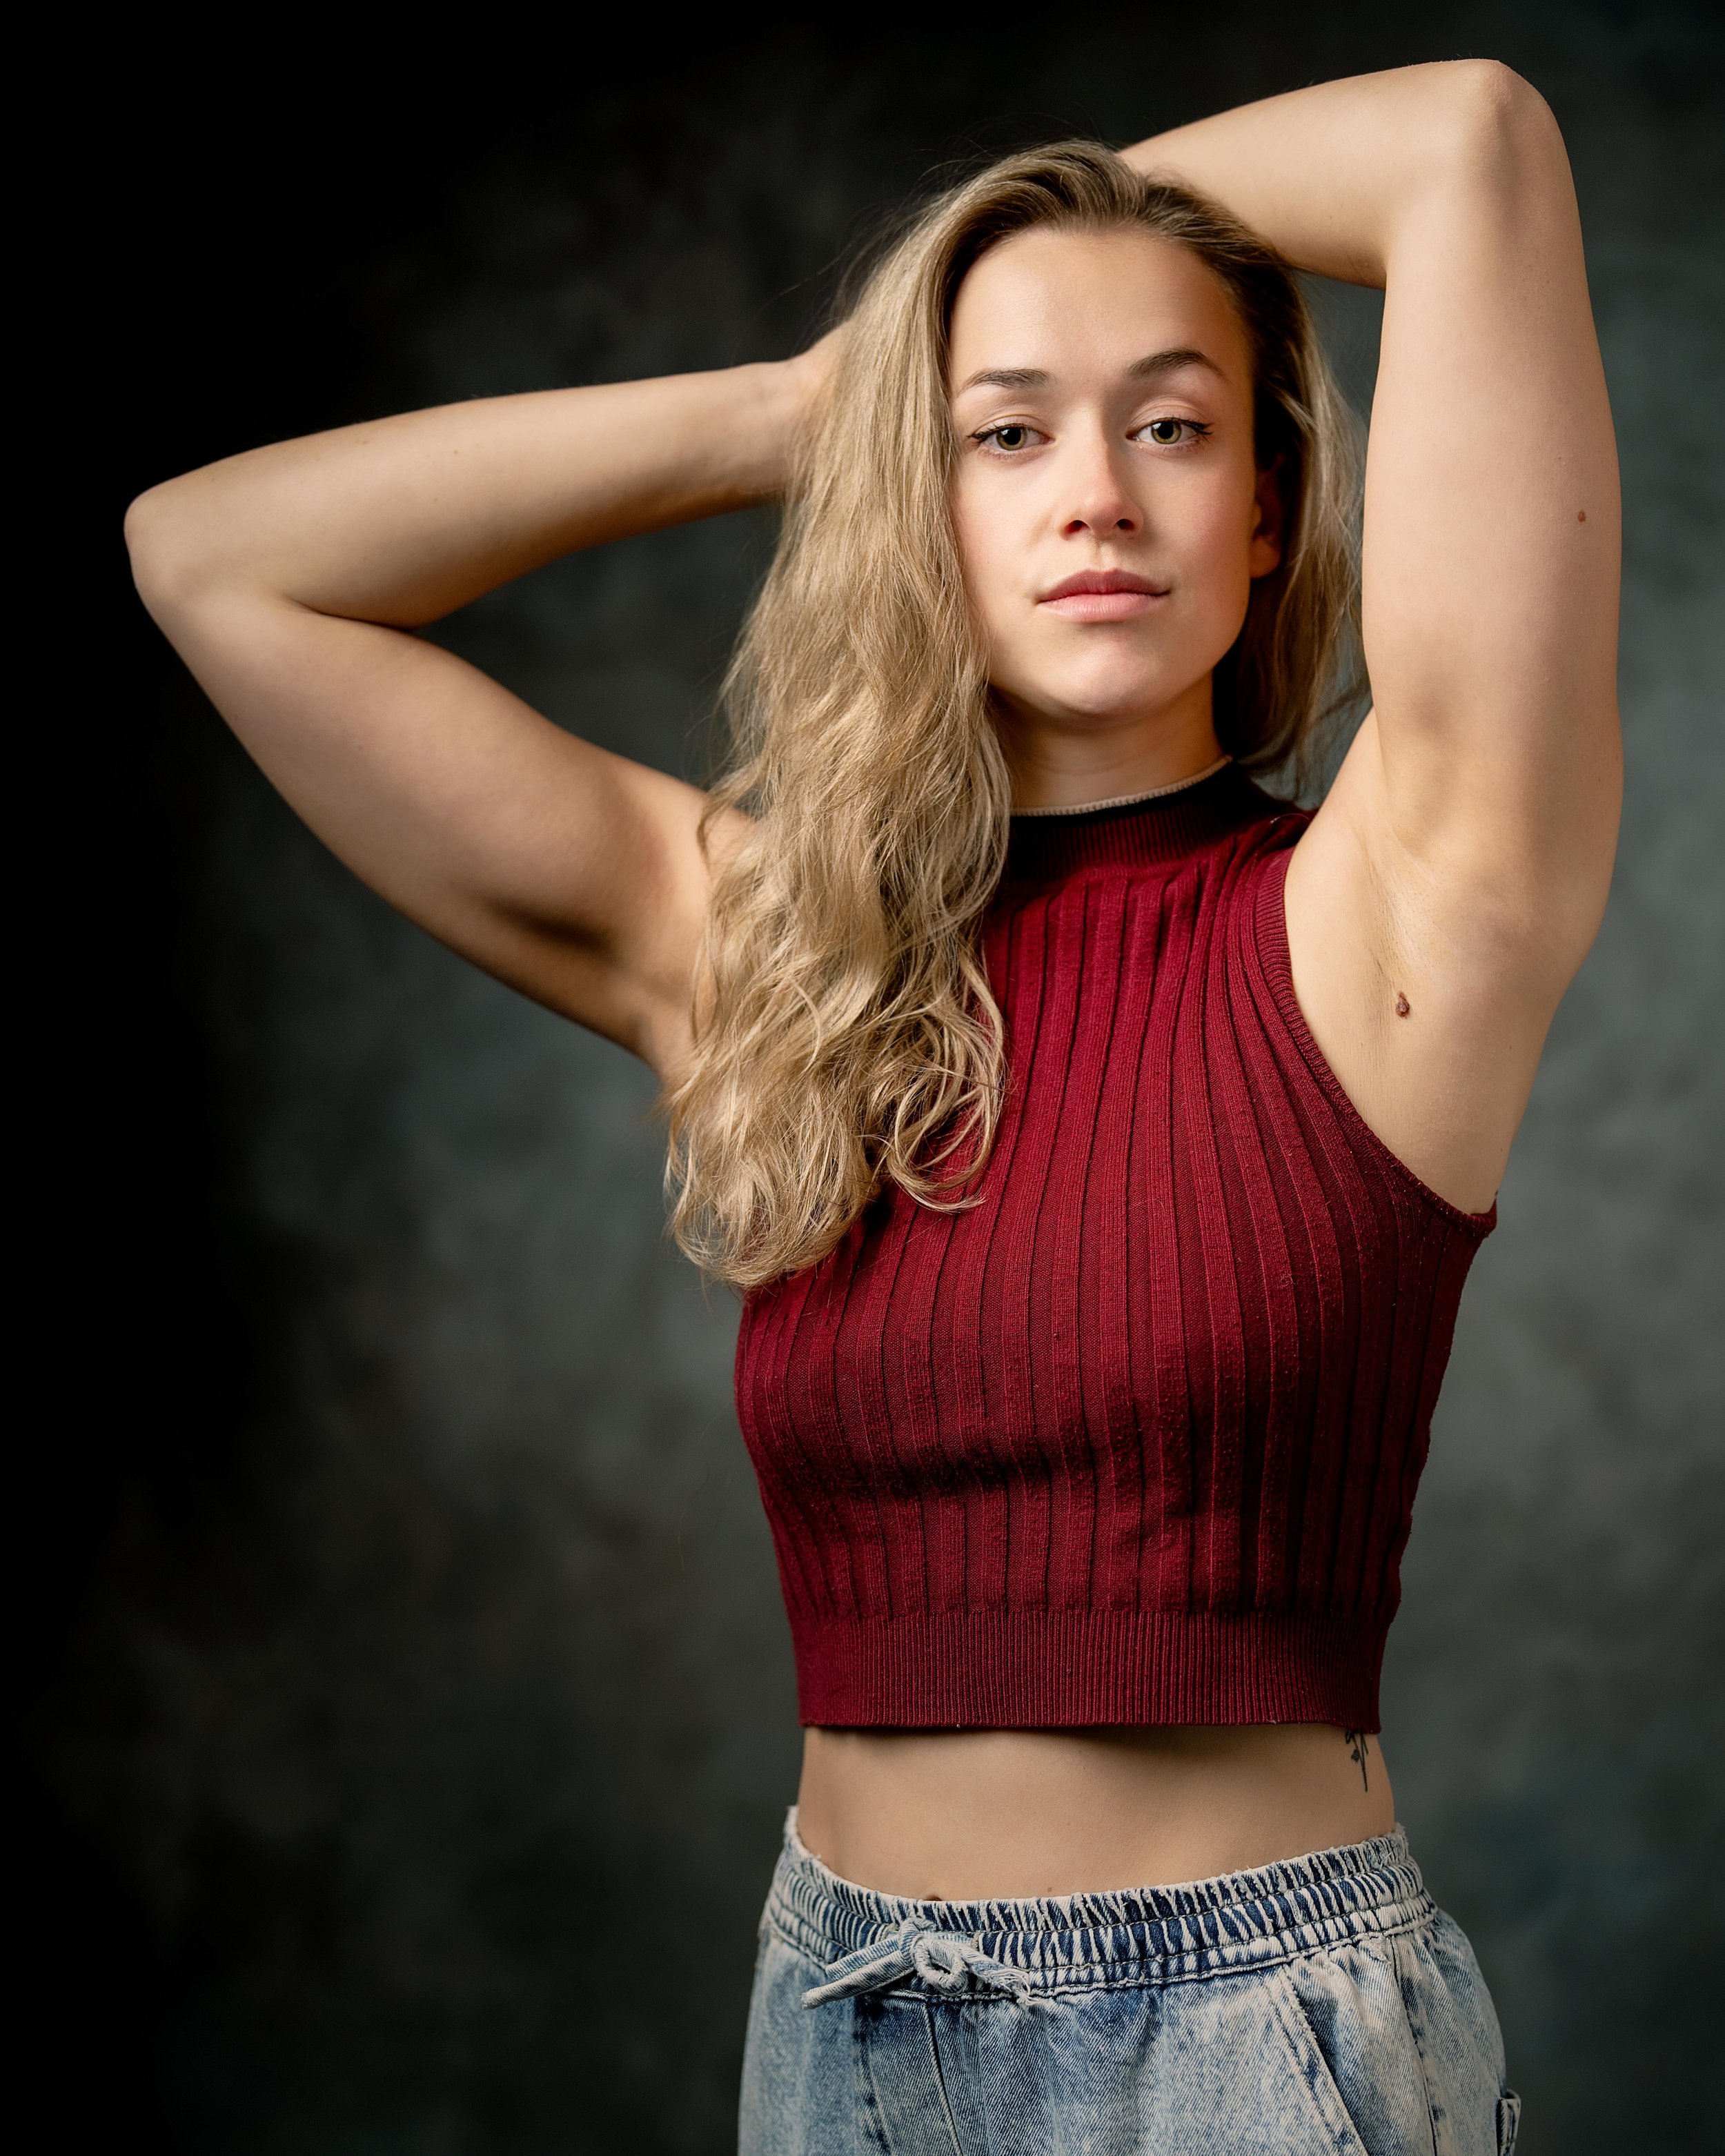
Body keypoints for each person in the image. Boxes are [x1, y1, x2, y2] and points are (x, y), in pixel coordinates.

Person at [127, 59, 1619, 2156]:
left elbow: (1462, 140)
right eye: (999, 436)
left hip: (1241, 2045)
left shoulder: (1406, 901)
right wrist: (805, 402)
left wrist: (1026, 257)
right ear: (910, 512)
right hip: (830, 2005)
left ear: (1266, 511)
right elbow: (213, 560)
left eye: (1169, 425)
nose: (1091, 489)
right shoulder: (774, 955)